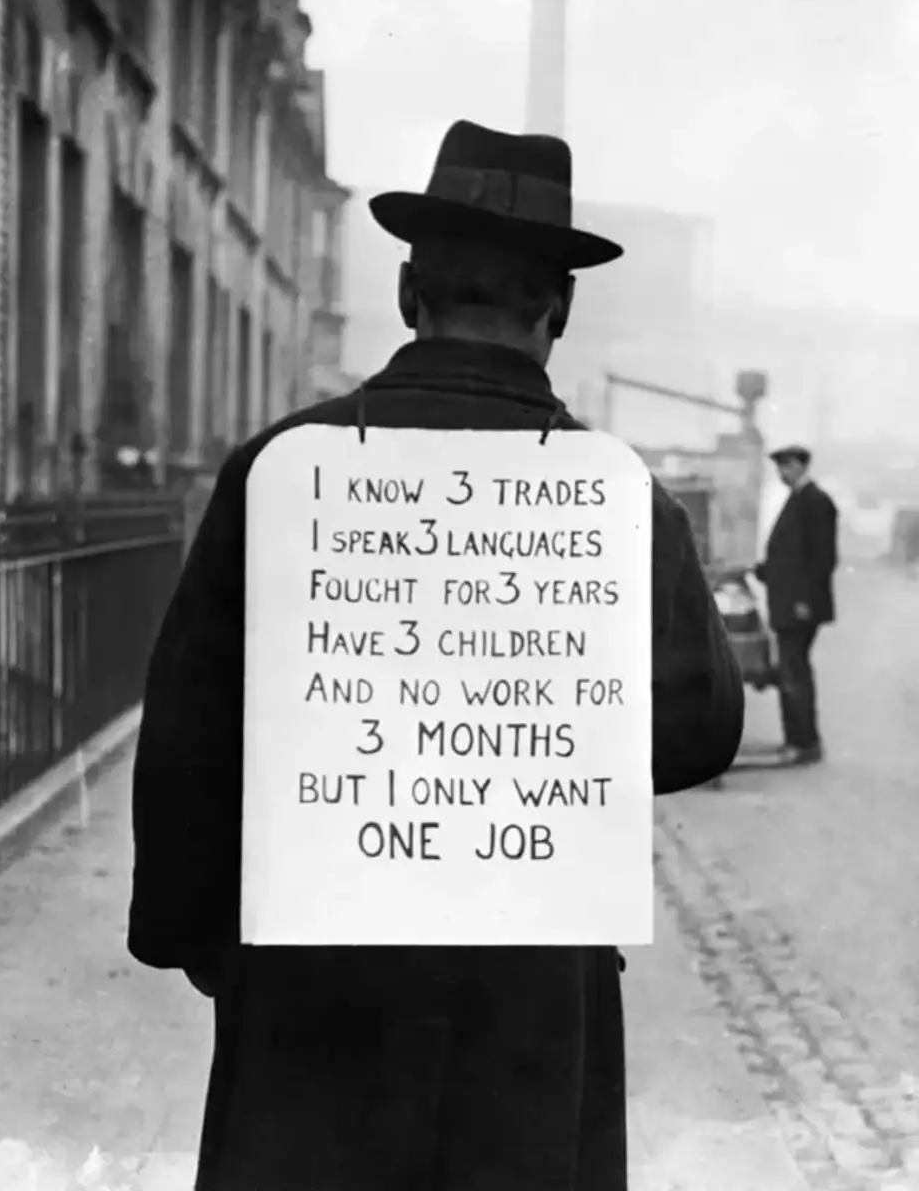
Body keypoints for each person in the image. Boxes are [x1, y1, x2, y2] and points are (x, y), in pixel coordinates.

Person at [127, 120, 745, 1191]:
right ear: (559, 308)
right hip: (531, 993)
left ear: (412, 295)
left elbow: (188, 728)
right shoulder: (617, 497)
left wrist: (210, 945)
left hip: (313, 978)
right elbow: (699, 727)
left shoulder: (284, 470)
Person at [755, 444, 838, 765]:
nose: (782, 473)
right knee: (792, 672)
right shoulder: (799, 499)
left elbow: (822, 558)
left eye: (787, 466)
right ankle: (798, 740)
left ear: (803, 466)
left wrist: (806, 600)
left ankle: (804, 744)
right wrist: (760, 570)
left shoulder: (816, 502)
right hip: (787, 602)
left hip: (798, 606)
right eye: (779, 467)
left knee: (794, 674)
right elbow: (787, 554)